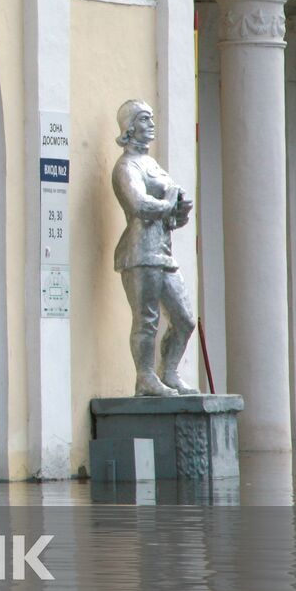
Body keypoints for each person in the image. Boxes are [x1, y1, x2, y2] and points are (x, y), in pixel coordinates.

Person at [111, 99, 196, 396]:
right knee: (147, 319)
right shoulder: (126, 166)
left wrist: (180, 208)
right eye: (145, 119)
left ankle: (169, 371)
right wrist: (169, 202)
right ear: (130, 128)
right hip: (139, 253)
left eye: (150, 119)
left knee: (184, 318)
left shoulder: (152, 164)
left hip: (163, 251)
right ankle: (145, 376)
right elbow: (139, 204)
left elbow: (168, 209)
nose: (151, 124)